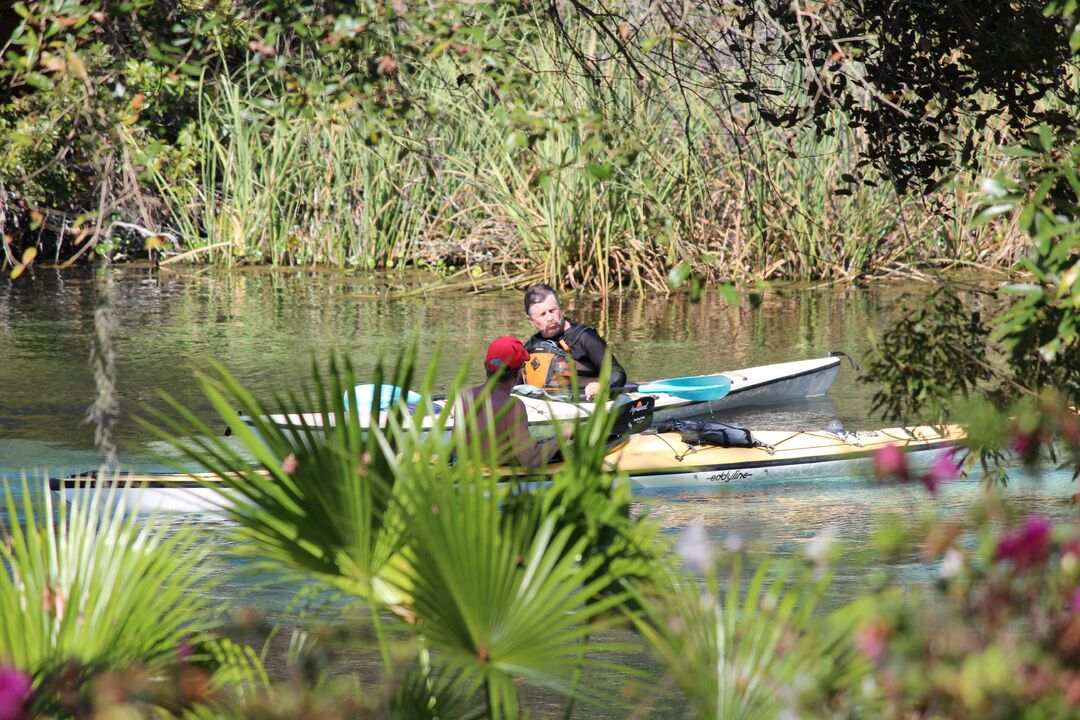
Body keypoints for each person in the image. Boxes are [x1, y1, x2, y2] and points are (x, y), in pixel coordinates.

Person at [455, 335, 569, 467]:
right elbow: (531, 462)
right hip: (499, 479)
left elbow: (456, 449)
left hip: (472, 473)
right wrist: (562, 435)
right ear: (519, 372)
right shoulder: (512, 406)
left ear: (486, 366)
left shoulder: (464, 397)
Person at [521, 283, 627, 401]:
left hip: (586, 402)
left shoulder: (585, 338)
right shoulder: (530, 347)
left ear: (560, 308)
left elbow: (618, 373)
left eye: (552, 310)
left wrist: (602, 386)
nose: (550, 318)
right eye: (542, 314)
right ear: (531, 320)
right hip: (543, 406)